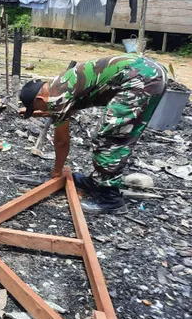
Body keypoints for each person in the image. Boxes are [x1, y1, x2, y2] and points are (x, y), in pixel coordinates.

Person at [19, 54, 168, 214]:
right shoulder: (58, 84)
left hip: (140, 79)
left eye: (35, 107)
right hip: (148, 73)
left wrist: (57, 171)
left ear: (40, 98)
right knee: (117, 132)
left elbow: (62, 141)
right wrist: (37, 113)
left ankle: (110, 198)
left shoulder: (57, 98)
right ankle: (98, 181)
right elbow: (66, 109)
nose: (39, 110)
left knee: (110, 136)